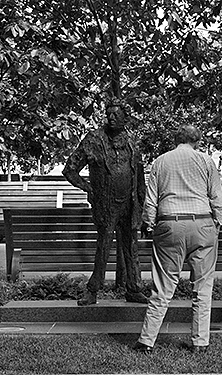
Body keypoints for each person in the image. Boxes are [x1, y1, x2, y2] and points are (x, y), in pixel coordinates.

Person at [133, 125, 222, 353]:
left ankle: (147, 340)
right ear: (197, 141)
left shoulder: (161, 161)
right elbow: (217, 196)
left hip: (169, 223)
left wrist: (149, 223)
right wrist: (218, 221)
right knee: (203, 287)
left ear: (176, 139)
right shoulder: (206, 161)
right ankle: (200, 342)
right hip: (202, 223)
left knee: (163, 286)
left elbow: (151, 199)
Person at [63, 98, 148, 306]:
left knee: (131, 246)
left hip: (129, 203)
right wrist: (89, 188)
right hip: (106, 203)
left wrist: (142, 205)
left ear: (126, 118)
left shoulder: (131, 141)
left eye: (116, 115)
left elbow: (139, 176)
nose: (111, 118)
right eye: (108, 114)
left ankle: (134, 288)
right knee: (104, 246)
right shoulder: (93, 139)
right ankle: (93, 290)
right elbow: (70, 169)